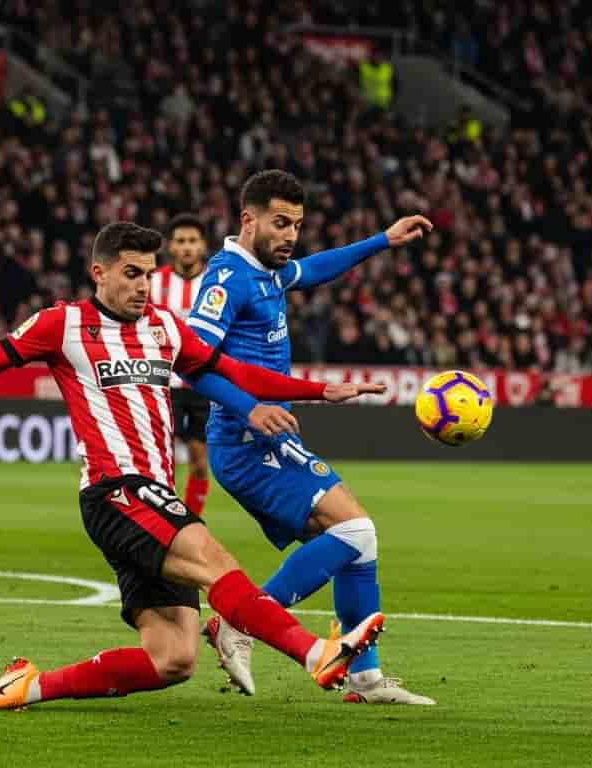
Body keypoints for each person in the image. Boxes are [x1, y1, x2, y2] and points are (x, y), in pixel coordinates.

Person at [0, 222, 388, 711]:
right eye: (132, 274)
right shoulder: (63, 324)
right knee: (213, 559)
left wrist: (320, 390)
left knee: (174, 659)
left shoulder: (164, 327)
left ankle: (28, 686)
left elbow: (232, 372)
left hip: (154, 496)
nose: (143, 286)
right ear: (100, 272)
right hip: (115, 491)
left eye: (149, 275)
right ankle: (314, 652)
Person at [186, 169, 437, 704]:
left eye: (297, 224)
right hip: (243, 442)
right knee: (356, 532)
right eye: (280, 223)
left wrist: (382, 241)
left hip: (274, 439)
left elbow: (315, 268)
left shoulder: (269, 271)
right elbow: (192, 364)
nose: (291, 235)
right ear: (247, 220)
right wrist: (249, 408)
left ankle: (366, 679)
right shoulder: (227, 279)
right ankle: (240, 620)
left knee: (361, 540)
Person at [149, 213, 213, 515]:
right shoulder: (154, 283)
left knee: (200, 461)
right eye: (180, 241)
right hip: (164, 383)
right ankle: (163, 520)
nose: (187, 247)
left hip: (203, 383)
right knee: (162, 459)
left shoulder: (215, 281)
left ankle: (192, 521)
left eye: (192, 241)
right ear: (170, 247)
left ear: (202, 246)